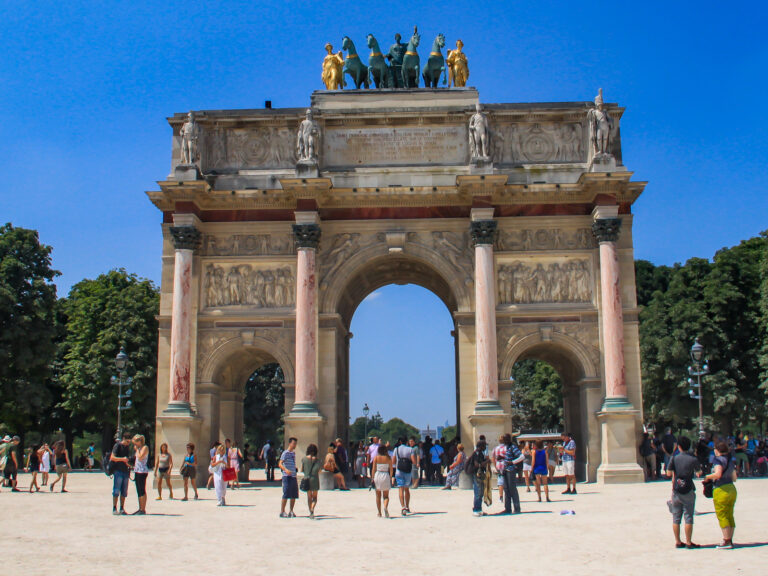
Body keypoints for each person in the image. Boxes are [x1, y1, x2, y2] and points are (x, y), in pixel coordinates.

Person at [666, 436, 701, 549]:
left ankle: (678, 541)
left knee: (676, 518)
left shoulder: (674, 458)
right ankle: (689, 542)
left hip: (676, 490)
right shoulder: (693, 459)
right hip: (688, 488)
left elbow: (668, 473)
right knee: (688, 517)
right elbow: (699, 473)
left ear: (679, 447)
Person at [704, 441, 738, 549]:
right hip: (731, 488)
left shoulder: (717, 460)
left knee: (722, 515)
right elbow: (734, 478)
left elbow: (718, 474)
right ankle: (730, 539)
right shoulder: (730, 460)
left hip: (721, 489)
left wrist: (708, 477)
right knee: (729, 514)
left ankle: (726, 541)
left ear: (717, 450)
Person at [467, 439, 491, 516]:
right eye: (484, 446)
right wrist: (486, 461)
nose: (485, 447)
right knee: (478, 492)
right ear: (481, 446)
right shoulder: (476, 454)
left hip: (480, 475)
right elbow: (477, 464)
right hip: (477, 474)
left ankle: (479, 509)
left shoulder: (480, 453)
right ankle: (476, 509)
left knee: (480, 492)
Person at [110, 432, 132, 515]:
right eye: (127, 441)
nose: (128, 443)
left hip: (125, 470)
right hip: (118, 470)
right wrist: (122, 459)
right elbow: (112, 457)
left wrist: (128, 463)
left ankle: (122, 508)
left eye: (129, 442)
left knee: (124, 491)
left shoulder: (127, 447)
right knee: (116, 490)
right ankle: (114, 508)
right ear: (123, 439)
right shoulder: (117, 446)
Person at [502, 433, 524, 514]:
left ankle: (517, 508)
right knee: (506, 489)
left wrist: (513, 462)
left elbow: (522, 457)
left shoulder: (513, 447)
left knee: (512, 489)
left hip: (511, 470)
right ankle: (508, 508)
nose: (504, 441)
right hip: (505, 470)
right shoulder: (505, 447)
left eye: (506, 439)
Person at [392, 436, 414, 515]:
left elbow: (393, 461)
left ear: (400, 442)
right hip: (407, 470)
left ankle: (403, 507)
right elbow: (413, 460)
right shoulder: (410, 449)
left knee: (400, 489)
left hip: (399, 470)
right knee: (406, 489)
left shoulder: (396, 449)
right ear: (406, 441)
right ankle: (407, 506)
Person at [279, 437, 299, 518]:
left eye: (295, 444)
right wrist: (285, 470)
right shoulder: (285, 453)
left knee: (294, 494)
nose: (294, 445)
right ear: (290, 443)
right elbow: (280, 463)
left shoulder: (293, 453)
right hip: (286, 476)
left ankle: (291, 511)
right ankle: (282, 511)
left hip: (293, 476)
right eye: (293, 443)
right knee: (286, 493)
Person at [372, 444, 393, 518]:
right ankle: (385, 507)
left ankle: (379, 512)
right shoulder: (388, 458)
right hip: (385, 475)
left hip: (378, 475)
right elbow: (391, 469)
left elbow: (373, 469)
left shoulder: (376, 458)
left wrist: (372, 478)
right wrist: (390, 478)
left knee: (378, 496)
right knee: (386, 496)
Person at [301, 444, 320, 519]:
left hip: (307, 479)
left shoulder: (304, 459)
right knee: (314, 497)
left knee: (309, 497)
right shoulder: (317, 460)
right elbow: (319, 470)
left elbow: (302, 470)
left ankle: (310, 512)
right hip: (315, 479)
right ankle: (312, 508)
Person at [132, 435, 149, 515]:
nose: (135, 444)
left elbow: (140, 457)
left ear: (139, 441)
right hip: (137, 470)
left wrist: (137, 450)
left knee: (142, 490)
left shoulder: (145, 448)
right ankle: (140, 507)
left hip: (142, 471)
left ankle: (143, 508)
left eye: (135, 442)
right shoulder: (139, 448)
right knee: (138, 490)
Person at [491, 435, 507, 502]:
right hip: (506, 465)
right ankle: (508, 496)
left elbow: (493, 458)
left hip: (499, 465)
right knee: (507, 481)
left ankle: (501, 497)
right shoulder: (506, 448)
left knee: (500, 482)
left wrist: (495, 466)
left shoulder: (495, 448)